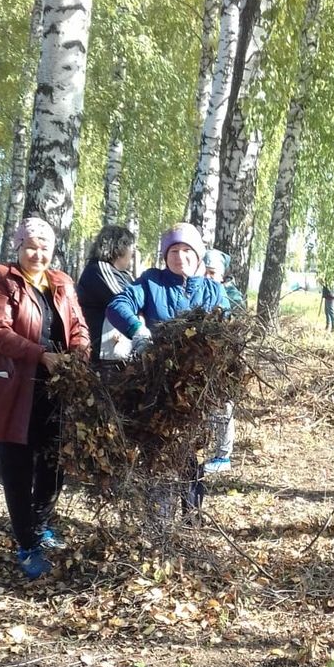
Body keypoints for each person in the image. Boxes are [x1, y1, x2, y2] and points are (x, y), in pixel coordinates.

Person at [0, 217, 90, 579]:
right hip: (14, 388)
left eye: (44, 247)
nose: (37, 254)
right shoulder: (2, 278)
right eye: (31, 246)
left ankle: (41, 524)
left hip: (56, 389)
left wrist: (79, 352)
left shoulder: (62, 282)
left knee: (55, 465)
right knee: (18, 467)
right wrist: (41, 354)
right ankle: (27, 544)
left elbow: (78, 326)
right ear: (18, 247)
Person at [106, 222, 230, 519]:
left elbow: (227, 325)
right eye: (174, 250)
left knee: (192, 450)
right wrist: (138, 329)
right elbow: (117, 305)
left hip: (197, 387)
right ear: (165, 255)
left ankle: (191, 517)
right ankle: (159, 521)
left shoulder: (213, 291)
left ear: (199, 256)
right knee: (161, 450)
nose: (180, 256)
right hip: (158, 383)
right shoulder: (151, 282)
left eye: (188, 250)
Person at [202, 247, 244, 474]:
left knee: (223, 406)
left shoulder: (232, 296)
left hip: (225, 361)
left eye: (211, 272)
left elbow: (232, 325)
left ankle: (223, 456)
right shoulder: (203, 290)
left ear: (221, 274)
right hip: (206, 359)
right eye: (204, 271)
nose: (207, 277)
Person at [76, 225, 136, 364]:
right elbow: (126, 300)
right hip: (102, 354)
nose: (131, 254)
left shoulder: (123, 274)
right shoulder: (99, 270)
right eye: (131, 248)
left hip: (116, 351)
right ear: (120, 247)